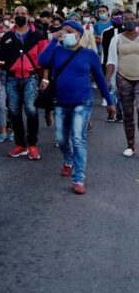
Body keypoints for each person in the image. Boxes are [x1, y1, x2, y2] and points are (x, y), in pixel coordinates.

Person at [39, 20, 115, 194]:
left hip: (82, 101)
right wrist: (53, 39)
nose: (65, 33)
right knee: (61, 138)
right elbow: (42, 61)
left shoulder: (89, 55)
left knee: (78, 139)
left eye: (69, 31)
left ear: (79, 34)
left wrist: (109, 102)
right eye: (63, 31)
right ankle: (69, 160)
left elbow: (100, 79)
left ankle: (79, 178)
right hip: (60, 102)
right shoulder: (57, 51)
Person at [0, 6, 49, 160]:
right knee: (14, 111)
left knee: (31, 109)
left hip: (31, 77)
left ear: (29, 16)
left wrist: (45, 78)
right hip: (11, 78)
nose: (20, 16)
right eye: (17, 14)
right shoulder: (7, 37)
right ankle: (20, 144)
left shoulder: (39, 35)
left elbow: (45, 59)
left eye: (23, 14)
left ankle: (32, 145)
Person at [105, 10, 139, 157]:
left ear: (136, 20)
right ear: (122, 22)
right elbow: (111, 61)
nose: (129, 21)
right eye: (126, 19)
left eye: (132, 18)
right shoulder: (116, 39)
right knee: (128, 113)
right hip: (123, 78)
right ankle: (130, 146)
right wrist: (107, 80)